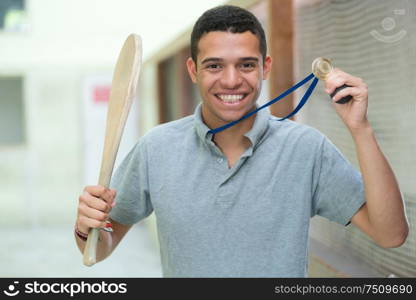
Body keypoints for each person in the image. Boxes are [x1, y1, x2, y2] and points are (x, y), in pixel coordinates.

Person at [75, 5, 408, 277]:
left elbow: (391, 234)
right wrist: (85, 230)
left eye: (246, 65)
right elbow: (99, 248)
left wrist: (360, 129)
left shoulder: (307, 149)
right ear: (193, 71)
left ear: (265, 67)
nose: (231, 81)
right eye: (215, 66)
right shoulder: (155, 148)